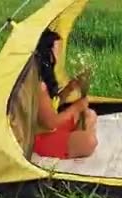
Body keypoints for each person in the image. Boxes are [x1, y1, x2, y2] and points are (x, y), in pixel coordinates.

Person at [32, 29, 98, 159]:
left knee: (90, 115)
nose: (60, 53)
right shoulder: (39, 86)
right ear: (48, 53)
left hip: (52, 128)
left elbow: (51, 107)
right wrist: (75, 108)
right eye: (58, 49)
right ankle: (76, 141)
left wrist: (68, 89)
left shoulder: (45, 77)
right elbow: (50, 123)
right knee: (90, 141)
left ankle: (75, 140)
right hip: (42, 138)